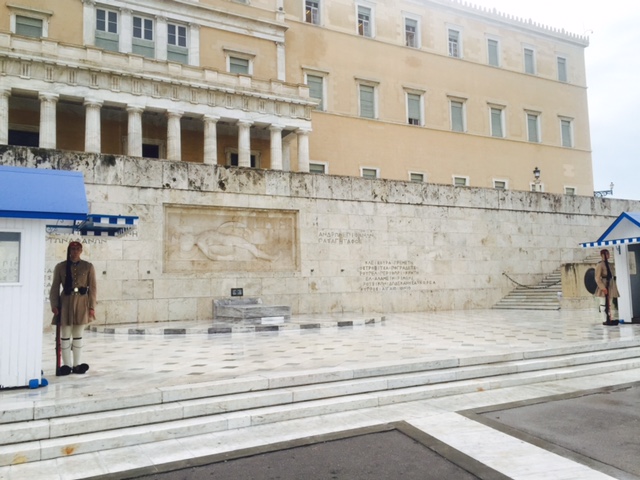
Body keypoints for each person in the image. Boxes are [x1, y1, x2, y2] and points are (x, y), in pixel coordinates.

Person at [49, 241, 97, 375]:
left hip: (82, 302)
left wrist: (92, 306)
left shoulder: (88, 266)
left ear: (81, 251)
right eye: (72, 249)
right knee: (65, 335)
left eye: (77, 249)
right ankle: (66, 365)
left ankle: (76, 364)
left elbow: (92, 288)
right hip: (66, 302)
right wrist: (54, 304)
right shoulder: (61, 267)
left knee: (78, 335)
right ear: (69, 250)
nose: (75, 251)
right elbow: (55, 287)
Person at [595, 248, 619, 326]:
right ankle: (604, 319)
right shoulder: (600, 264)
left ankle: (609, 319)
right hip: (604, 284)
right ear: (603, 255)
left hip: (610, 284)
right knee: (603, 304)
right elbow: (597, 278)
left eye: (608, 254)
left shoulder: (609, 264)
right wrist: (603, 288)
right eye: (607, 254)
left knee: (609, 304)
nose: (608, 255)